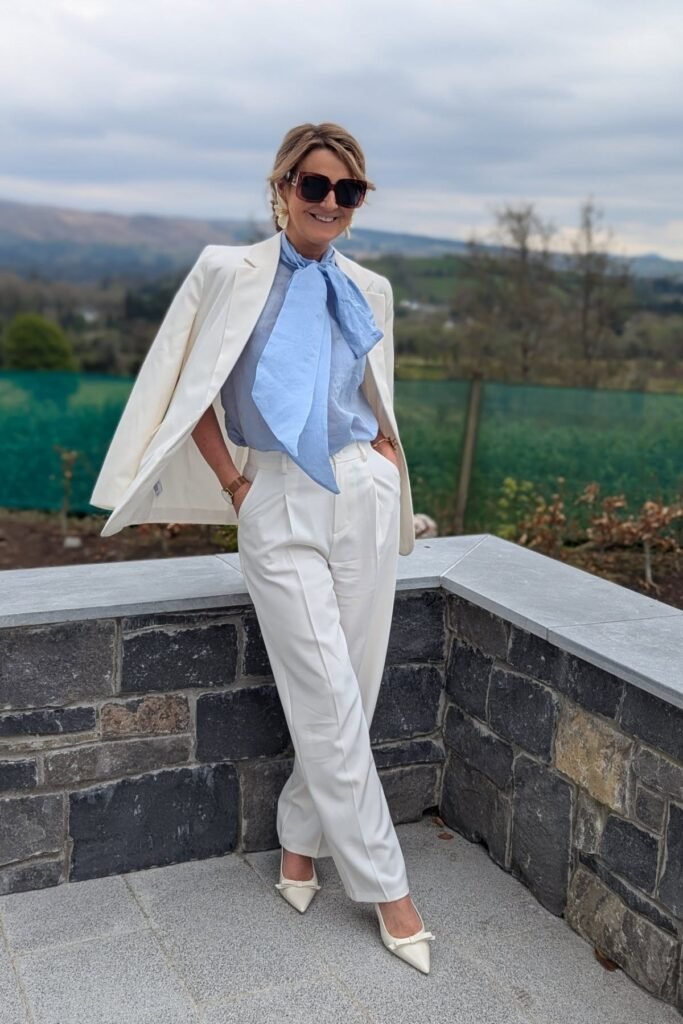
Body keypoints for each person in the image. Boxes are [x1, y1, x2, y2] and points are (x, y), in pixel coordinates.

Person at [91, 122, 435, 974]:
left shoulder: (370, 286)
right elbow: (187, 387)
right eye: (313, 185)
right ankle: (389, 889)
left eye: (346, 191)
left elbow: (368, 384)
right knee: (323, 689)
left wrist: (385, 457)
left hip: (360, 488)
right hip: (275, 496)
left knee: (350, 686)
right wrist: (238, 487)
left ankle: (297, 840)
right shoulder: (225, 270)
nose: (327, 202)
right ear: (280, 186)